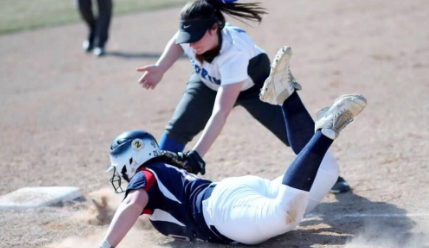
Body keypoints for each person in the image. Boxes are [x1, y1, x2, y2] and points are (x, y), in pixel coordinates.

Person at [95, 49, 367, 248]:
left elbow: (132, 203)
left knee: (285, 216)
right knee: (328, 170)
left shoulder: (146, 176)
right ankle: (287, 94)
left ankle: (325, 133)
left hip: (223, 213)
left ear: (131, 160)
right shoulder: (163, 169)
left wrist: (105, 246)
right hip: (235, 195)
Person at [136, 0, 351, 193]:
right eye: (187, 37)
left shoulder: (234, 52)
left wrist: (197, 155)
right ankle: (155, 180)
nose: (190, 44)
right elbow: (177, 41)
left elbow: (221, 112)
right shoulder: (193, 37)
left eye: (194, 38)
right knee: (178, 127)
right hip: (208, 82)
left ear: (215, 28)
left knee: (292, 130)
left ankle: (327, 174)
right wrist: (161, 67)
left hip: (255, 86)